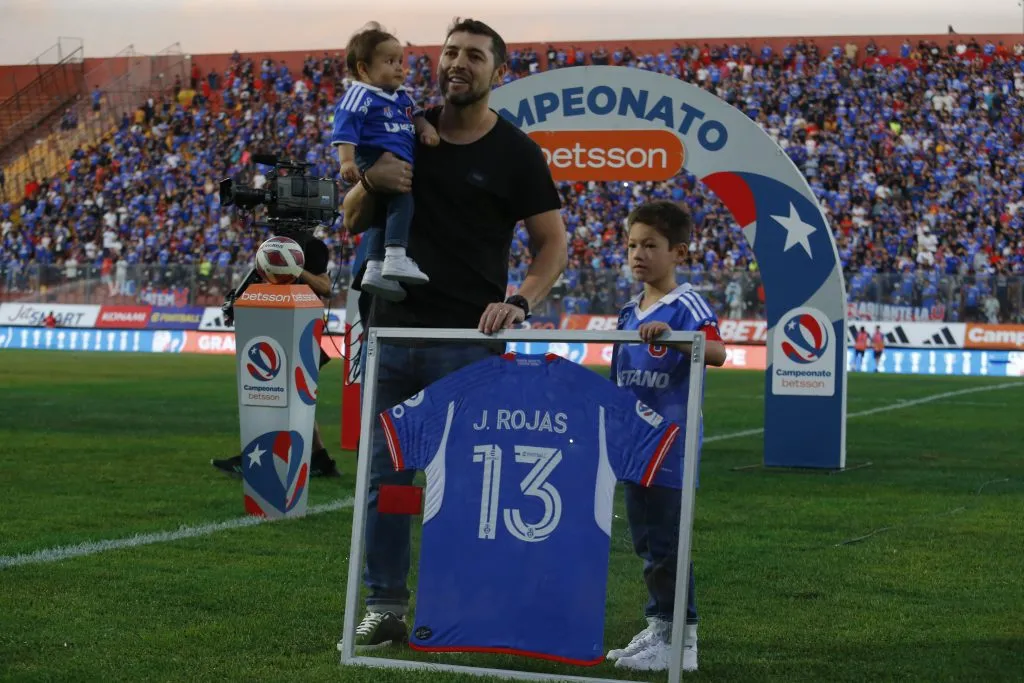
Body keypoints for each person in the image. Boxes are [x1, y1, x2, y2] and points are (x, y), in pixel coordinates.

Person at [337, 17, 567, 651]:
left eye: (473, 55)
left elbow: (553, 244)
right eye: (449, 53)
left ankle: (461, 602)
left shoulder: (516, 152)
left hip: (467, 342)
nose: (457, 63)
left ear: (498, 72)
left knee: (468, 481)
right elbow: (352, 217)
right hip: (388, 336)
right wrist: (369, 181)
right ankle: (385, 604)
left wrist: (521, 300)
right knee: (387, 481)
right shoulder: (403, 127)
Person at [606, 201, 726, 673]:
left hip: (670, 448)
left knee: (668, 545)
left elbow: (715, 351)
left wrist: (674, 336)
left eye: (650, 246)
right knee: (646, 542)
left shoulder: (688, 303)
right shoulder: (625, 312)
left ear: (677, 252)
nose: (639, 254)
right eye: (633, 245)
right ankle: (660, 626)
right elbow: (619, 378)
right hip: (633, 447)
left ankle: (683, 640)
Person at [211, 229, 341, 479]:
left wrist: (293, 267)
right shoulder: (274, 244)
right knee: (292, 399)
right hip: (277, 327)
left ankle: (257, 457)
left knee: (278, 398)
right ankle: (320, 459)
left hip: (299, 331)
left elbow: (325, 287)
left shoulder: (310, 247)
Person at [331, 23, 439, 301]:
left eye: (400, 61)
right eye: (389, 61)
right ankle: (396, 254)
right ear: (363, 69)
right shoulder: (361, 95)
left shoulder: (402, 96)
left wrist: (425, 128)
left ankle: (375, 267)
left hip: (397, 158)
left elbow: (415, 116)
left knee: (381, 214)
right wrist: (346, 160)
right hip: (376, 158)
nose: (399, 68)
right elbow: (345, 126)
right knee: (404, 201)